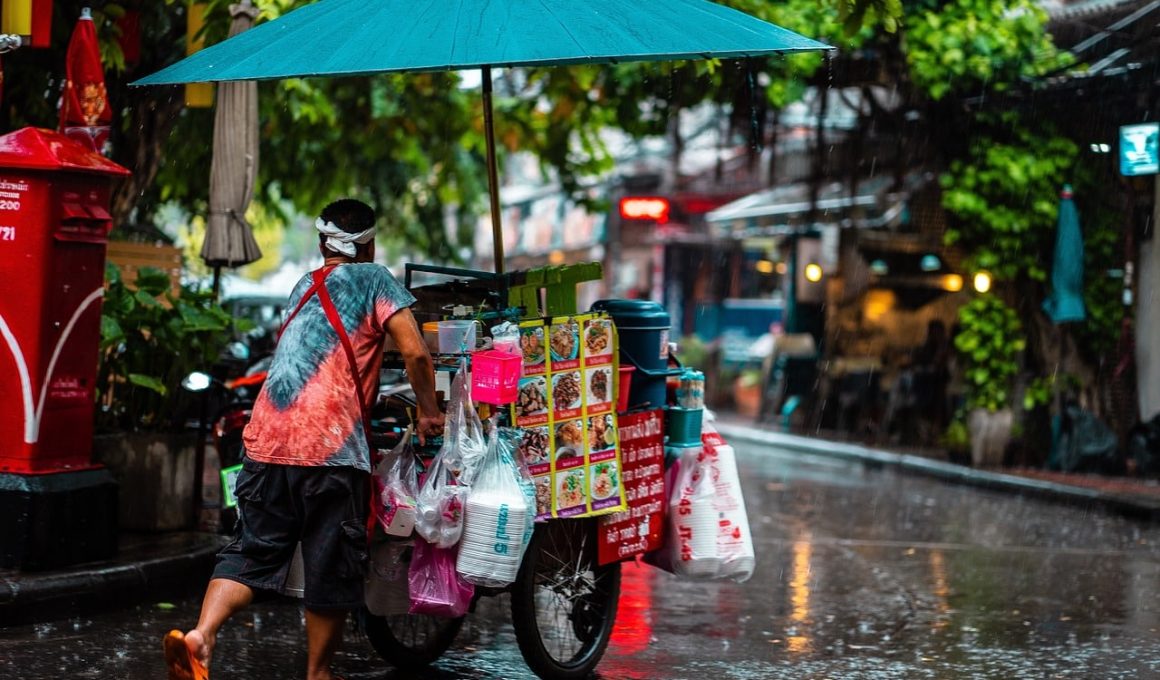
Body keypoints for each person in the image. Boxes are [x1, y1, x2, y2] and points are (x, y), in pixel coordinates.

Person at [164, 199, 444, 680]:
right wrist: (430, 412)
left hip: (266, 442)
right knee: (329, 565)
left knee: (251, 552)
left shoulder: (302, 286)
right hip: (331, 450)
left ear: (321, 244)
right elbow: (416, 353)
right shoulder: (377, 280)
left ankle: (201, 635)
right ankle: (318, 673)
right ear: (370, 244)